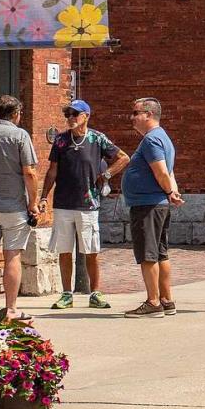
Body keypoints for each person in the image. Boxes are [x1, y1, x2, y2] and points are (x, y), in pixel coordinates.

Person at [40, 100, 128, 310]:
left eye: (75, 114)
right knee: (64, 250)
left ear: (86, 116)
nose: (70, 118)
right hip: (63, 203)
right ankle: (66, 294)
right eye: (68, 114)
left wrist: (107, 174)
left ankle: (95, 293)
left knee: (91, 250)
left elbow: (124, 158)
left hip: (88, 204)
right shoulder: (61, 140)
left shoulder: (97, 139)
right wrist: (43, 197)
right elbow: (52, 170)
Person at [0, 95, 40, 322]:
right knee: (13, 256)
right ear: (15, 114)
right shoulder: (20, 136)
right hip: (13, 207)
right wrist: (33, 203)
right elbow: (30, 173)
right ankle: (11, 309)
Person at [122, 97, 184, 318]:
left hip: (147, 205)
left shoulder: (151, 140)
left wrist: (169, 192)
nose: (132, 117)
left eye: (135, 113)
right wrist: (172, 192)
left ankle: (153, 303)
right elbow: (169, 172)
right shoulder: (162, 137)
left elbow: (161, 171)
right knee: (160, 253)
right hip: (156, 204)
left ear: (148, 114)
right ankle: (166, 300)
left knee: (148, 255)